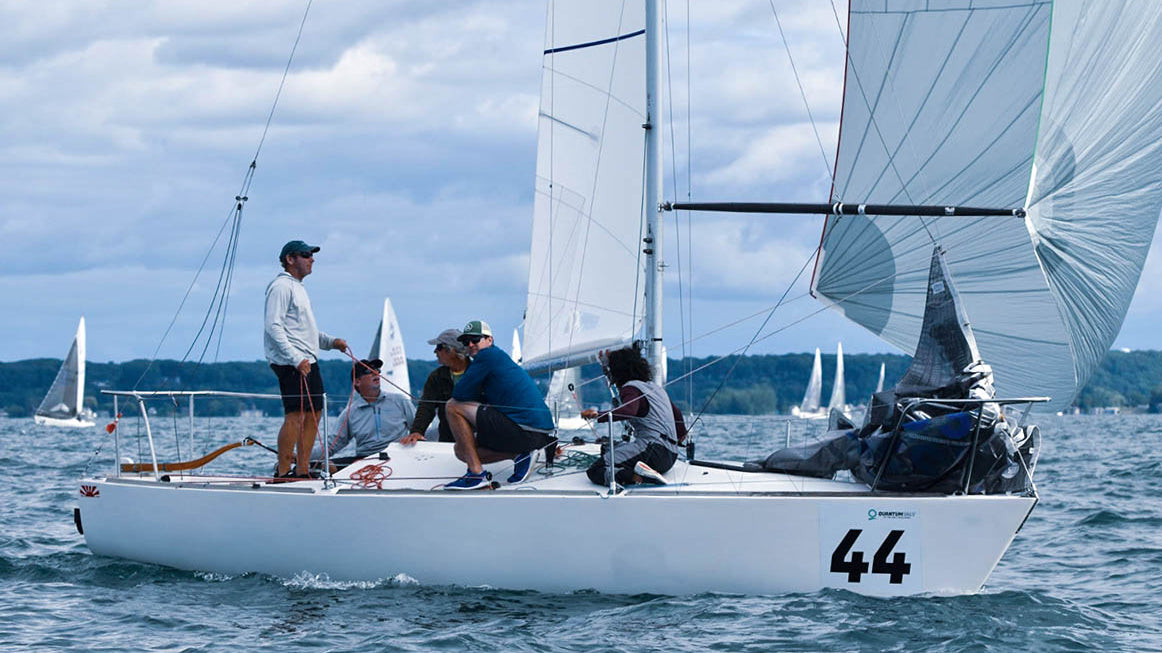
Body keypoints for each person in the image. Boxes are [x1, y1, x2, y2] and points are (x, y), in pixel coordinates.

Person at [264, 239, 347, 480]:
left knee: (314, 414)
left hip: (308, 361)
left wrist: (331, 342)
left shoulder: (299, 288)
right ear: (290, 259)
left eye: (312, 255)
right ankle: (283, 472)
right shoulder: (281, 287)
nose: (312, 259)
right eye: (306, 254)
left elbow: (305, 331)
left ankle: (302, 469)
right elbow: (273, 326)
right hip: (291, 363)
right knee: (296, 415)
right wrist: (295, 359)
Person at [443, 320, 555, 490]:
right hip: (540, 434)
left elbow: (459, 394)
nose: (470, 345)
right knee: (461, 450)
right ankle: (520, 455)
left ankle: (476, 474)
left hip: (527, 431)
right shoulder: (497, 358)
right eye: (466, 342)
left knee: (452, 406)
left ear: (489, 340)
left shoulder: (487, 355)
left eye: (475, 339)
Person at [581, 346, 686, 486]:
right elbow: (677, 413)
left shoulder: (630, 388)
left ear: (618, 371)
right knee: (606, 449)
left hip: (653, 452)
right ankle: (639, 471)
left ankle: (638, 477)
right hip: (671, 455)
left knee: (596, 470)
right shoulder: (655, 387)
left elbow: (629, 410)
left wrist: (598, 415)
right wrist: (681, 434)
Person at [310, 358, 419, 471]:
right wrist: (303, 456)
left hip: (397, 456)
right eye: (369, 371)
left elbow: (419, 429)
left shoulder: (400, 401)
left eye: (377, 370)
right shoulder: (350, 412)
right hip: (365, 459)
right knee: (326, 466)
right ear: (357, 382)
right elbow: (332, 445)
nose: (375, 373)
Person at [407, 329, 471, 444]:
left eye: (439, 347)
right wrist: (417, 431)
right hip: (447, 441)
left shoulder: (478, 373)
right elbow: (426, 407)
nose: (435, 351)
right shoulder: (436, 376)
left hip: (477, 441)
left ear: (451, 350)